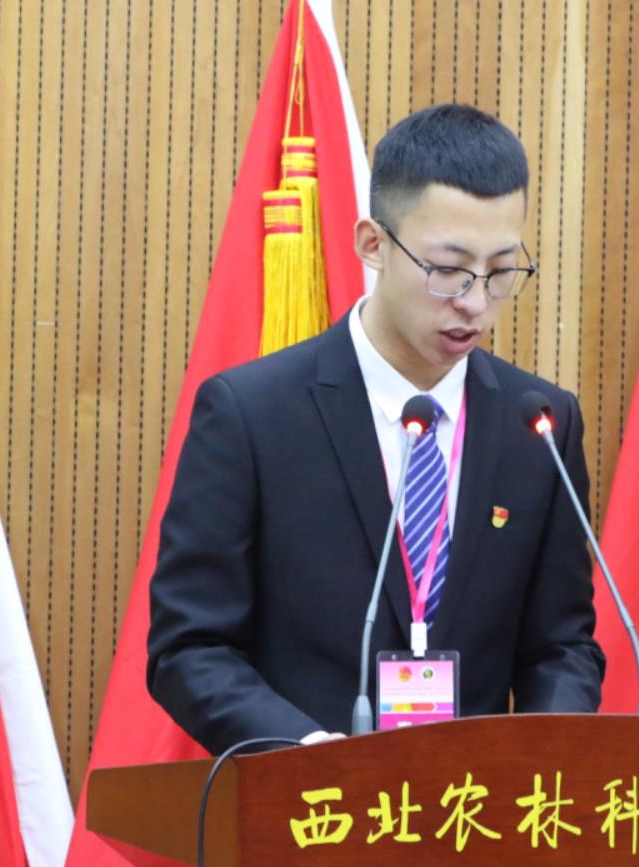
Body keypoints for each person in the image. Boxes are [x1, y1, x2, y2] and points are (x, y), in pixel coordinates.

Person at [147, 104, 605, 754]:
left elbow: (561, 646)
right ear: (373, 244)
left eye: (501, 271)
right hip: (308, 798)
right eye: (447, 270)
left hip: (478, 804)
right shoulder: (252, 416)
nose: (476, 303)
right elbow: (190, 646)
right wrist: (306, 753)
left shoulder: (538, 426)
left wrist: (533, 752)